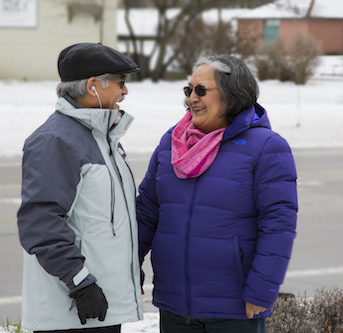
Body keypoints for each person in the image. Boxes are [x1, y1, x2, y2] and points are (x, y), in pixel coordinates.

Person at [136, 55, 298, 333]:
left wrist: (261, 290)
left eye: (201, 90)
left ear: (232, 96)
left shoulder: (266, 147)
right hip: (174, 304)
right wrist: (130, 267)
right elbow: (146, 214)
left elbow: (278, 227)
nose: (191, 99)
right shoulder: (171, 144)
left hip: (233, 308)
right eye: (188, 90)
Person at [17, 43, 143, 333]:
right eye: (120, 82)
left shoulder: (103, 137)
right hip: (72, 310)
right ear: (92, 86)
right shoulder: (56, 140)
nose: (125, 91)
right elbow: (40, 222)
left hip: (100, 307)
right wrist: (80, 282)